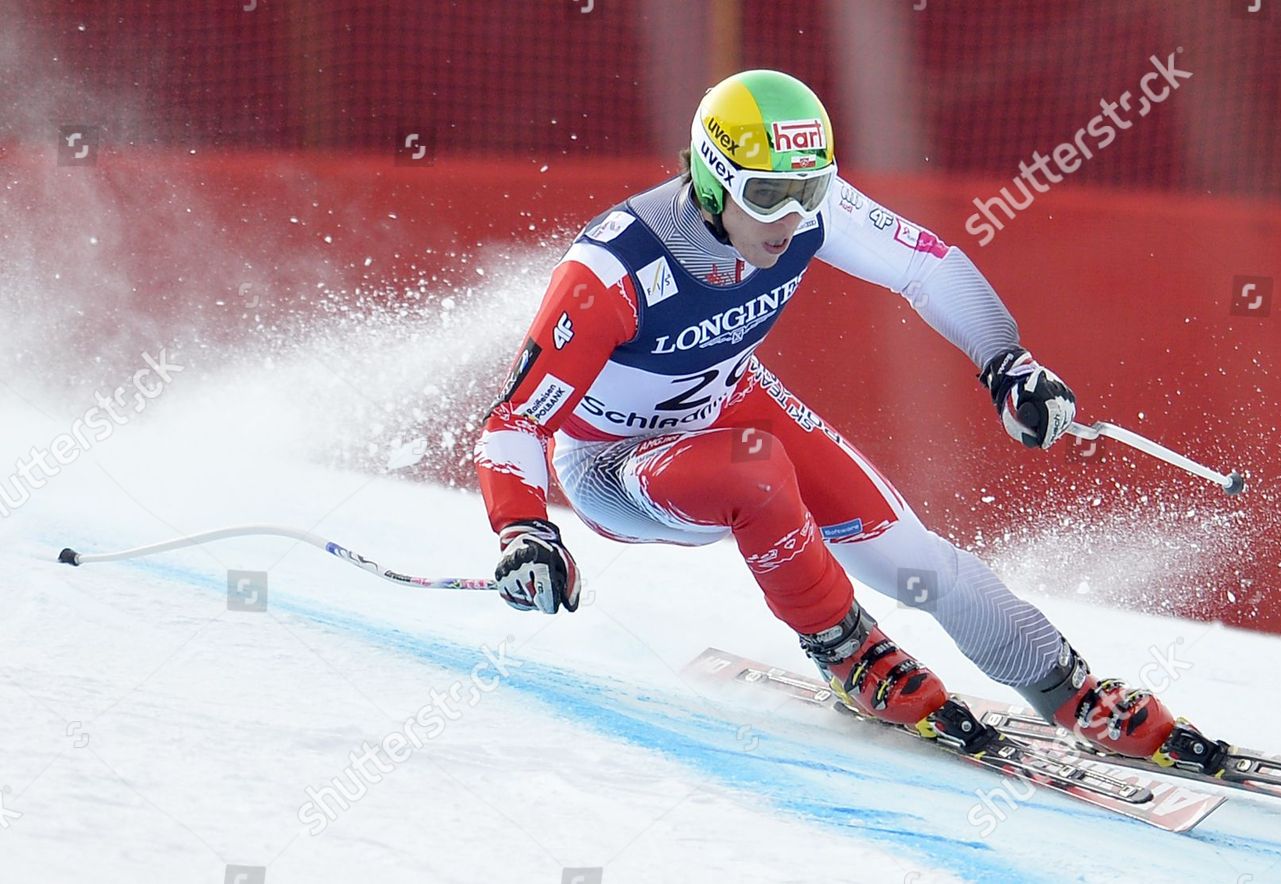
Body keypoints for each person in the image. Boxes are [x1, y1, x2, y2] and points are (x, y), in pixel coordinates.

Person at [476, 69, 1179, 757]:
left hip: (729, 405)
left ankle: (1062, 684)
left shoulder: (815, 209)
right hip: (614, 466)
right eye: (769, 194)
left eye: (808, 190)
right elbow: (514, 422)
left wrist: (1007, 362)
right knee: (758, 468)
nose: (791, 217)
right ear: (713, 182)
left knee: (913, 559)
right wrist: (525, 531)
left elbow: (928, 268)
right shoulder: (611, 271)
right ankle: (845, 646)